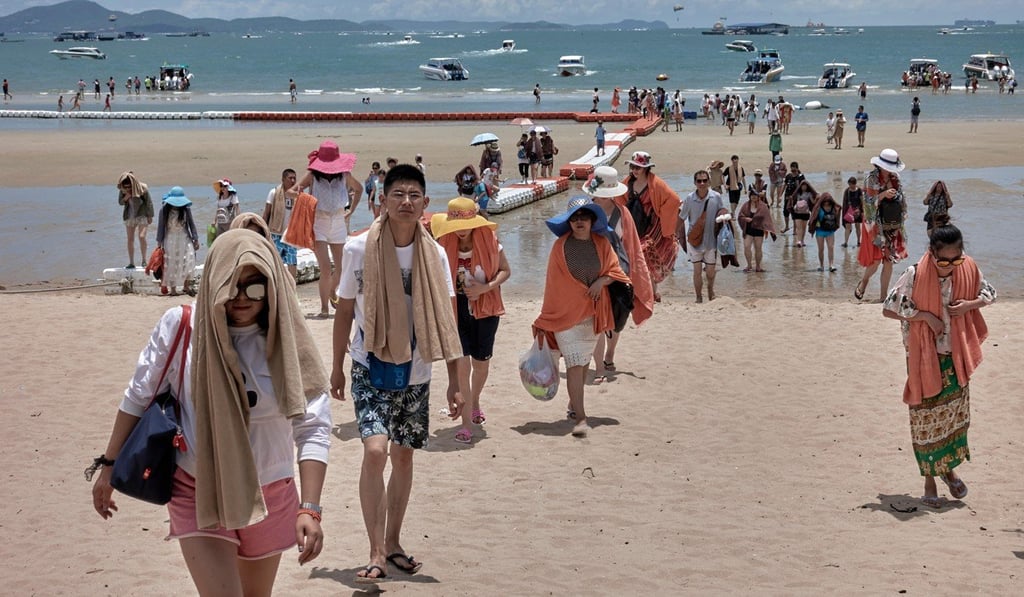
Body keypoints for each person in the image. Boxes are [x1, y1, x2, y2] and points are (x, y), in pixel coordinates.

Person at [90, 229, 332, 595]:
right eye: (231, 284)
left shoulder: (288, 341)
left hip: (271, 494)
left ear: (271, 285)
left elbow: (312, 425)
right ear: (214, 278)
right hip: (197, 489)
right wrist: (108, 466)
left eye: (255, 286)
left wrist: (310, 508)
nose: (241, 297)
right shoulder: (182, 327)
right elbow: (138, 397)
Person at [330, 164, 463, 583]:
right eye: (398, 194)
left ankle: (393, 542)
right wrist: (335, 366)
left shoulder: (435, 253)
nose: (406, 201)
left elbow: (447, 318)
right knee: (375, 451)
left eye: (414, 195)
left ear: (425, 203)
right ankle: (373, 550)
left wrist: (457, 382)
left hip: (417, 369)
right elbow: (345, 311)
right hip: (369, 363)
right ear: (382, 200)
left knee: (403, 457)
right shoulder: (357, 248)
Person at [882, 224, 995, 508]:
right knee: (925, 421)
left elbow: (990, 293)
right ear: (932, 254)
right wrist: (923, 316)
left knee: (951, 420)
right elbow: (889, 307)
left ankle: (948, 469)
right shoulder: (914, 273)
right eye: (944, 261)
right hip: (923, 356)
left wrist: (969, 305)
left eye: (956, 259)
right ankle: (930, 481)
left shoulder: (967, 268)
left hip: (955, 354)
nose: (950, 266)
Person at [533, 197, 629, 438]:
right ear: (568, 221)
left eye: (583, 217)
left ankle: (573, 406)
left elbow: (616, 272)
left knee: (584, 363)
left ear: (592, 220)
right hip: (566, 316)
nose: (579, 222)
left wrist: (601, 281)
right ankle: (582, 417)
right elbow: (554, 286)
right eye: (574, 218)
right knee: (575, 365)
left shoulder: (602, 244)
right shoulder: (560, 247)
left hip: (593, 315)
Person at [430, 198, 511, 444]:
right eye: (457, 223)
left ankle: (474, 400)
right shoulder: (442, 246)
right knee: (462, 366)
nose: (462, 228)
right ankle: (466, 423)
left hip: (486, 310)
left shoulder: (490, 242)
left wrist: (485, 288)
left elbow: (505, 270)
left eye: (467, 222)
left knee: (481, 365)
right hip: (456, 311)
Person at [583, 166, 655, 382]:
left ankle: (610, 354)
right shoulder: (585, 212)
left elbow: (632, 248)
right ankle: (600, 368)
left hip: (619, 273)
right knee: (597, 320)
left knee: (617, 320)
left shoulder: (623, 214)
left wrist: (638, 276)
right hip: (594, 274)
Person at [292, 140, 362, 317]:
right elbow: (290, 191)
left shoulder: (344, 175)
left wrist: (351, 211)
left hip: (338, 221)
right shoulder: (312, 176)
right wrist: (300, 195)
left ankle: (332, 292)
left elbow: (359, 189)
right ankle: (324, 308)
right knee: (324, 268)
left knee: (341, 267)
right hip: (319, 222)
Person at [621, 151, 680, 302]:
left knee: (645, 256)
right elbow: (618, 200)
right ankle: (647, 293)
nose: (635, 170)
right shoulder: (627, 182)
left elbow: (673, 199)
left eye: (638, 167)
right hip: (634, 226)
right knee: (637, 258)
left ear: (646, 168)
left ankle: (651, 294)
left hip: (652, 228)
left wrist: (661, 214)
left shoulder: (656, 183)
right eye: (633, 167)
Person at [856, 148, 909, 302]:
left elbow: (902, 197)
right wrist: (883, 195)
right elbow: (867, 204)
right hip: (874, 224)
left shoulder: (895, 178)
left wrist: (903, 213)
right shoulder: (871, 179)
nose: (890, 171)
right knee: (876, 260)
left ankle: (883, 296)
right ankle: (864, 281)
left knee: (889, 260)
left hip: (892, 223)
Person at [678, 169, 728, 303]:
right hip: (694, 241)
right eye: (699, 181)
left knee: (711, 272)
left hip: (711, 241)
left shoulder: (716, 197)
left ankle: (710, 292)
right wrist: (673, 235)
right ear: (695, 182)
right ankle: (698, 297)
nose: (702, 183)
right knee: (697, 271)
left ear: (709, 182)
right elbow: (681, 218)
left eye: (704, 181)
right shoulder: (689, 198)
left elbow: (722, 212)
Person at [155, 187, 200, 295]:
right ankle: (173, 289)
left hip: (184, 238)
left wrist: (195, 238)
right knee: (171, 263)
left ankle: (186, 286)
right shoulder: (164, 210)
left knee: (188, 260)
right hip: (170, 239)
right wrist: (159, 243)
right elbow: (161, 227)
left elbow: (191, 224)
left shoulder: (186, 209)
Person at [263, 168, 299, 280]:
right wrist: (263, 231)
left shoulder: (298, 196)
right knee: (276, 260)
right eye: (290, 178)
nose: (293, 180)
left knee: (292, 261)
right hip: (276, 233)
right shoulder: (274, 192)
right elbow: (266, 213)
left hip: (291, 234)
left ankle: (292, 287)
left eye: (294, 178)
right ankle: (276, 284)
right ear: (283, 179)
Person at [737, 174, 776, 273]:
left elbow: (767, 218)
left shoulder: (763, 206)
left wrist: (769, 229)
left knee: (758, 248)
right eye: (752, 196)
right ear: (750, 196)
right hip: (749, 229)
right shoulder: (745, 206)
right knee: (746, 247)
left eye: (755, 196)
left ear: (758, 197)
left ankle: (758, 266)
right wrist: (745, 219)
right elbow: (740, 216)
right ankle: (749, 265)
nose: (754, 197)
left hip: (759, 230)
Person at [117, 172, 154, 269]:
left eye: (129, 187)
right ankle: (131, 262)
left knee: (142, 236)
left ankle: (144, 260)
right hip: (129, 215)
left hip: (142, 214)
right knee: (130, 239)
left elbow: (149, 202)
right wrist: (126, 197)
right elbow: (120, 202)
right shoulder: (122, 189)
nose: (128, 188)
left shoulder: (142, 188)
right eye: (126, 187)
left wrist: (150, 216)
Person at [808, 192, 841, 272]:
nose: (827, 204)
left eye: (828, 202)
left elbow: (839, 210)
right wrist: (812, 226)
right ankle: (821, 265)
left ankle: (831, 265)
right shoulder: (818, 208)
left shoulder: (834, 207)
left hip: (830, 231)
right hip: (820, 231)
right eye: (825, 202)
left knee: (831, 247)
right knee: (821, 249)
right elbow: (813, 217)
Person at [790, 180, 818, 248]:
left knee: (804, 228)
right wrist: (790, 200)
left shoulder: (809, 194)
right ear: (800, 186)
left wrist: (817, 198)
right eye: (802, 185)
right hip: (797, 212)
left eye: (805, 186)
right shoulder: (797, 193)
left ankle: (802, 241)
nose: (804, 187)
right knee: (798, 227)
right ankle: (799, 241)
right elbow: (792, 201)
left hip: (805, 212)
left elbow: (813, 202)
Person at [781, 161, 804, 234]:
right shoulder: (788, 176)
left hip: (796, 198)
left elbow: (802, 187)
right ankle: (787, 226)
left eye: (794, 169)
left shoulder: (800, 177)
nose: (793, 171)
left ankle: (795, 229)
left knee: (794, 214)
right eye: (792, 169)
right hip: (787, 197)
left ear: (797, 169)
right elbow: (784, 185)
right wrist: (780, 195)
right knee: (785, 212)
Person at [841, 176, 863, 248]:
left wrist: (861, 210)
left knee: (857, 226)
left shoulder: (859, 190)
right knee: (848, 227)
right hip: (849, 211)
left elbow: (862, 201)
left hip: (857, 211)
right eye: (849, 184)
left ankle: (858, 242)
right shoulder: (847, 191)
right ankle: (846, 242)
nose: (850, 186)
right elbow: (844, 203)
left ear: (855, 184)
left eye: (851, 184)